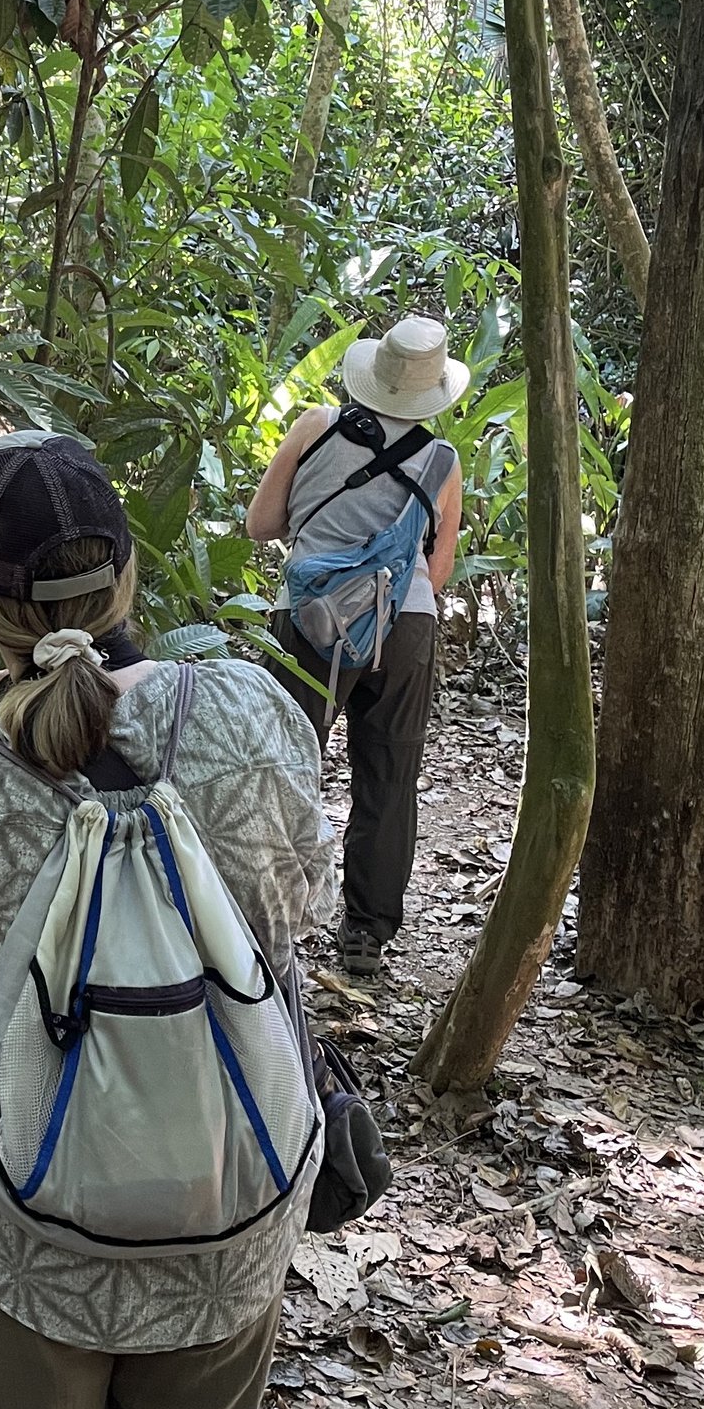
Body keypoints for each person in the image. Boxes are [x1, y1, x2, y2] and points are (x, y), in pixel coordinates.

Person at [0, 431, 333, 1409]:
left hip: (17, 1224)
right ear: (125, 571)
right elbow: (296, 914)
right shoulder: (251, 711)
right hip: (229, 1192)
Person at [245, 314, 465, 977]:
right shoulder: (442, 461)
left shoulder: (315, 426)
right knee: (390, 775)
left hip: (309, 620)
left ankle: (265, 915)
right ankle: (366, 932)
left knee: (285, 762)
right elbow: (441, 567)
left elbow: (260, 523)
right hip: (404, 624)